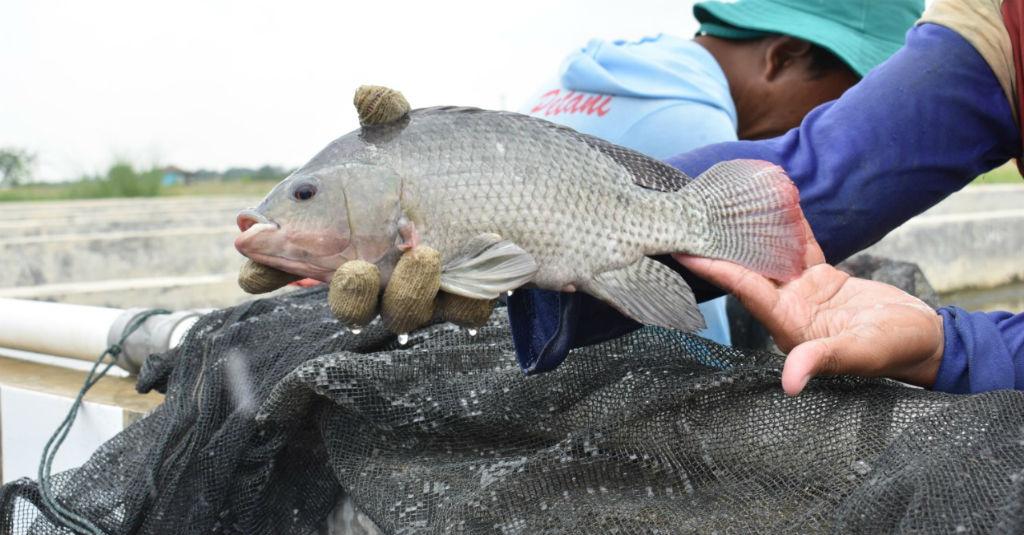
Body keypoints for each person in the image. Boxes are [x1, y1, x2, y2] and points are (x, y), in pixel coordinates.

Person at [511, 0, 1024, 394]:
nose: (835, 117)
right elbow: (693, 354)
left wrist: (955, 347)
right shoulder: (690, 122)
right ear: (781, 58)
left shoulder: (596, 71)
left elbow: (829, 166)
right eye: (844, 98)